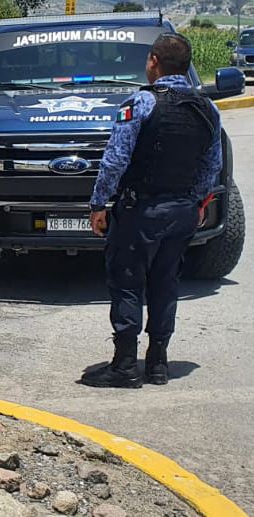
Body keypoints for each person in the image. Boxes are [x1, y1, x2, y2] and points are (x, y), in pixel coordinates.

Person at [82, 33, 222, 388]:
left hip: (141, 209)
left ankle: (125, 365)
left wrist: (99, 203)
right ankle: (158, 363)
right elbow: (211, 165)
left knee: (127, 282)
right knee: (166, 282)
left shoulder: (141, 103)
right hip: (182, 211)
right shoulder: (208, 108)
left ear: (153, 62)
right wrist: (199, 202)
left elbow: (115, 160)